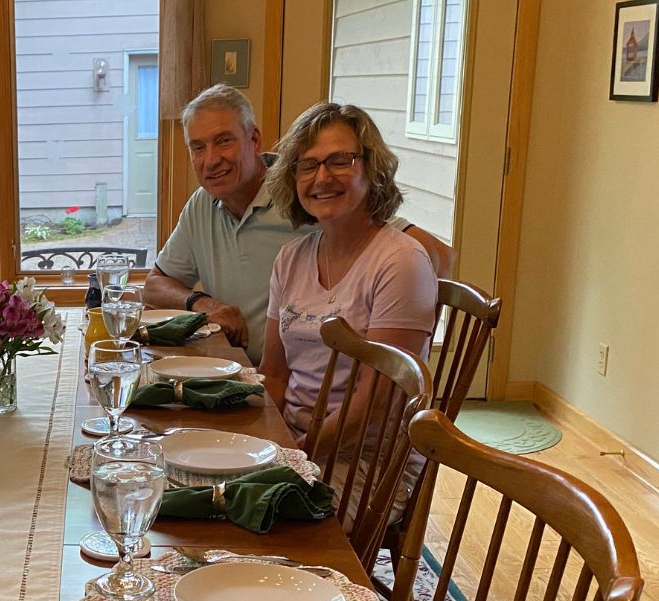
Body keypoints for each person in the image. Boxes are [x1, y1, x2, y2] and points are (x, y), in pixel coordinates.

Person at [145, 85, 452, 364]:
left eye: (223, 141)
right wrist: (204, 304)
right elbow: (155, 285)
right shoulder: (203, 204)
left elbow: (438, 256)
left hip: (314, 384)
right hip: (242, 374)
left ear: (253, 139)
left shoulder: (309, 193)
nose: (210, 160)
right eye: (198, 147)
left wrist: (397, 335)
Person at [257, 102, 437, 457]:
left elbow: (375, 400)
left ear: (372, 169)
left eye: (340, 160)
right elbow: (274, 374)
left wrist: (296, 454)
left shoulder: (401, 262)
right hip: (295, 446)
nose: (322, 177)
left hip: (362, 465)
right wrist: (262, 444)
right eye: (307, 165)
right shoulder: (290, 258)